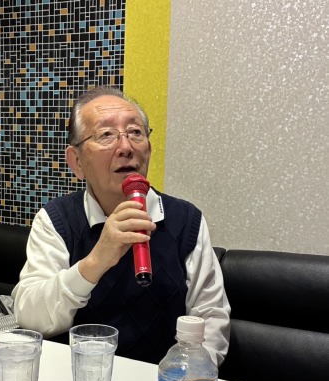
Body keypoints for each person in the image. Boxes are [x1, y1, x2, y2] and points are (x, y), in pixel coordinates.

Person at [12, 86, 230, 365]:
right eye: (106, 135)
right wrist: (95, 262)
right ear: (77, 162)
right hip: (79, 380)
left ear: (149, 149)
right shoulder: (56, 220)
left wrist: (185, 376)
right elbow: (31, 318)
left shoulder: (186, 220)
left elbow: (211, 319)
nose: (126, 147)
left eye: (135, 132)